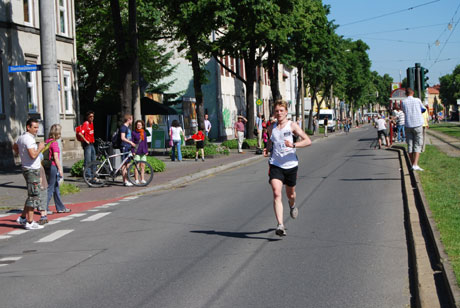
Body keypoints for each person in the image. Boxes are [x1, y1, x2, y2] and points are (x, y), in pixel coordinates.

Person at [263, 100, 312, 237]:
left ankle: (292, 205)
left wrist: (294, 145)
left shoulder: (292, 126)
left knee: (290, 194)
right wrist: (266, 150)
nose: (279, 113)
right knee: (276, 193)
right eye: (276, 111)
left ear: (286, 112)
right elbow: (271, 141)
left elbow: (308, 141)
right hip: (275, 164)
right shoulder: (271, 128)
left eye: (281, 111)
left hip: (290, 165)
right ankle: (280, 225)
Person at [13, 118, 46, 230]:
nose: (37, 130)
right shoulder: (29, 139)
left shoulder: (21, 137)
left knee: (31, 194)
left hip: (27, 168)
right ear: (28, 127)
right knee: (33, 196)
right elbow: (33, 155)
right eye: (35, 127)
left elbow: (15, 146)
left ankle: (23, 217)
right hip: (32, 170)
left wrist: (20, 154)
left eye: (37, 127)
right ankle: (30, 222)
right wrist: (40, 148)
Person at [45, 124, 71, 214]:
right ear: (57, 133)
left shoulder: (47, 141)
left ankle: (60, 207)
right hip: (53, 166)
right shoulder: (54, 143)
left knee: (56, 188)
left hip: (47, 166)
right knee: (51, 187)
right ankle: (44, 208)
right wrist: (60, 169)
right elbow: (56, 158)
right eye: (60, 133)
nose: (60, 135)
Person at [401, 88, 426, 171]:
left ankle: (412, 164)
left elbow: (404, 111)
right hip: (417, 124)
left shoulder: (403, 102)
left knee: (410, 145)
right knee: (418, 144)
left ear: (406, 94)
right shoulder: (417, 100)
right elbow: (423, 109)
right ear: (413, 93)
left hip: (408, 124)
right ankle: (415, 164)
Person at [79, 111, 96, 181]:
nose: (92, 118)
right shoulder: (86, 124)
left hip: (92, 144)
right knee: (88, 160)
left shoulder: (91, 123)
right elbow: (80, 133)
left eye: (93, 116)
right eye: (90, 117)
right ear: (87, 117)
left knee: (94, 160)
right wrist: (85, 140)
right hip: (87, 145)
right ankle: (88, 176)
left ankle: (94, 175)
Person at [120, 114, 136, 186]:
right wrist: (130, 142)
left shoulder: (127, 128)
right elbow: (122, 138)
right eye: (131, 119)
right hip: (124, 147)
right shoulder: (123, 127)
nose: (132, 121)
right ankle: (125, 181)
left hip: (128, 147)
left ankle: (128, 179)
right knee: (124, 164)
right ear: (129, 119)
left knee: (128, 164)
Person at [131, 120, 149, 184]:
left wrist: (147, 150)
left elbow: (145, 142)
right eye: (138, 125)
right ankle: (136, 179)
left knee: (143, 166)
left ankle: (142, 179)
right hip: (137, 151)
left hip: (143, 151)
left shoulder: (144, 132)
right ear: (136, 125)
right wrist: (133, 151)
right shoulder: (133, 133)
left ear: (142, 126)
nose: (139, 126)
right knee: (137, 166)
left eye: (140, 125)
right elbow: (132, 142)